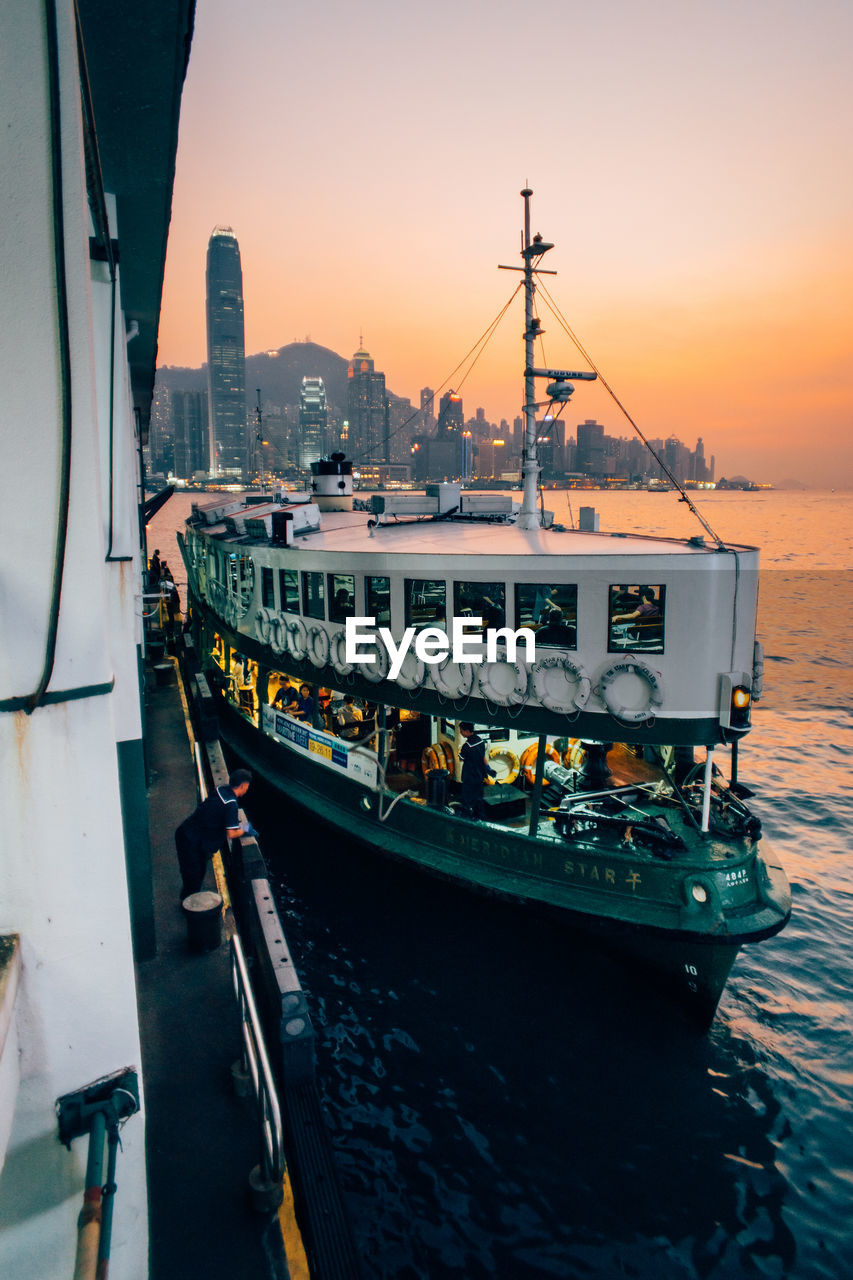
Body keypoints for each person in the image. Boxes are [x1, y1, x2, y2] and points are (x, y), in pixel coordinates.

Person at [174, 768, 254, 900]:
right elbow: (231, 833)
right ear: (243, 786)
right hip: (191, 842)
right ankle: (190, 911)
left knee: (195, 875)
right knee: (193, 880)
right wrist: (245, 828)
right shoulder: (231, 804)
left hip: (186, 832)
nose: (247, 789)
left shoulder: (221, 790)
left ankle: (190, 903)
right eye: (247, 787)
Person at [458, 722, 496, 820]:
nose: (460, 732)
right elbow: (483, 757)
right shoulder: (480, 741)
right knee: (478, 797)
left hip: (469, 776)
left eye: (461, 731)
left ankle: (467, 817)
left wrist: (460, 753)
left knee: (467, 797)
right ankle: (481, 817)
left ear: (466, 731)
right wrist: (488, 769)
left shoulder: (466, 746)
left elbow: (461, 759)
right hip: (479, 775)